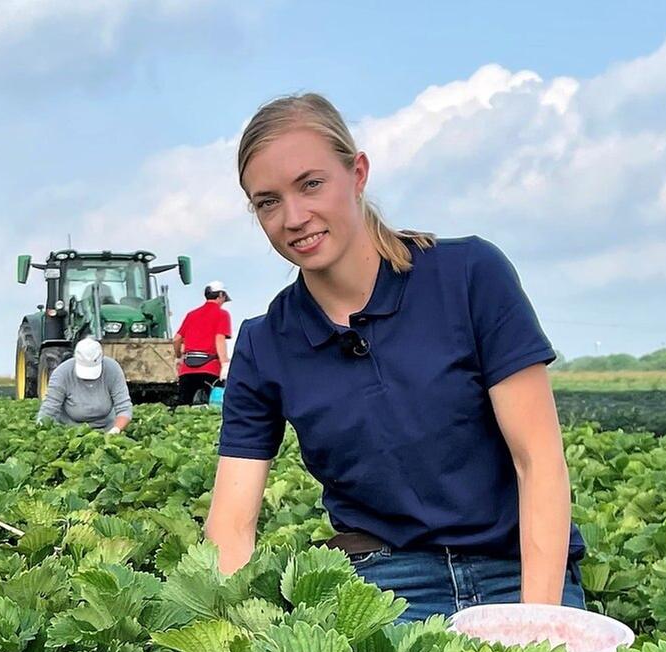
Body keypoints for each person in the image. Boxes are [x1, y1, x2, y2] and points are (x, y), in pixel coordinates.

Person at [204, 92, 584, 622]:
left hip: (516, 566)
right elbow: (232, 523)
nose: (294, 217)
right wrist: (229, 633)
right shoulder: (266, 343)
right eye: (268, 201)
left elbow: (537, 461)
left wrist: (536, 623)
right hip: (385, 583)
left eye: (311, 184)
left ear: (357, 173)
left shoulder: (470, 276)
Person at [36, 338, 132, 433]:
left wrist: (116, 430)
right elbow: (50, 407)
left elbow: (124, 407)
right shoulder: (62, 373)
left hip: (107, 429)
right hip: (69, 431)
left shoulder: (112, 369)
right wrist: (41, 428)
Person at [172, 281, 233, 407]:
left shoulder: (191, 315)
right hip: (210, 368)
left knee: (182, 407)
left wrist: (179, 356)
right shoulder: (222, 314)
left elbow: (176, 339)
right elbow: (219, 339)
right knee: (214, 406)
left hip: (187, 369)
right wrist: (225, 363)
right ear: (221, 295)